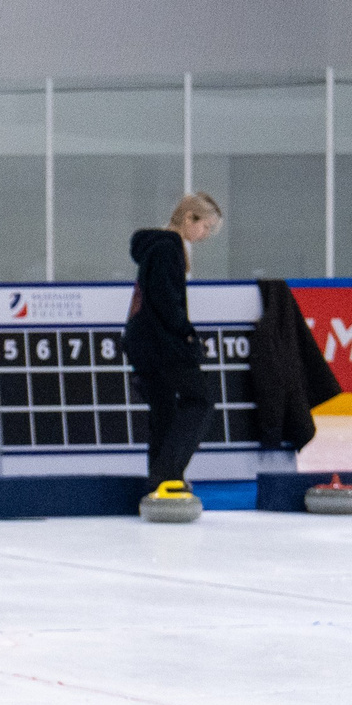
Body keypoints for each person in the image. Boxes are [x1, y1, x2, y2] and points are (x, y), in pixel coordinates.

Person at [127, 192, 226, 498]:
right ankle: (167, 474)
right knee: (200, 399)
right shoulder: (169, 249)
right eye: (205, 227)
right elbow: (167, 303)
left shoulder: (154, 247)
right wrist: (188, 336)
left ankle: (158, 480)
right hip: (161, 345)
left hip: (142, 343)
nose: (206, 235)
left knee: (164, 409)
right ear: (188, 219)